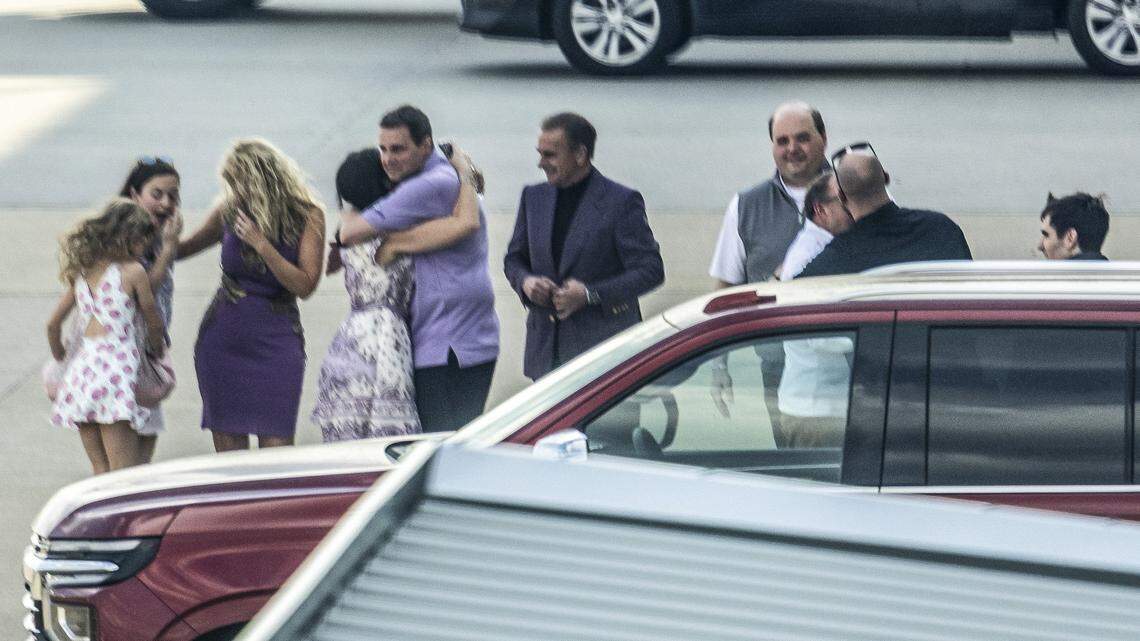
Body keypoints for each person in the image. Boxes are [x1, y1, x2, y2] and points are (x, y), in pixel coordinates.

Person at [338, 105, 499, 432]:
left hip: (446, 344)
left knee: (438, 446)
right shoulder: (445, 168)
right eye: (383, 149)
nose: (387, 159)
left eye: (398, 149)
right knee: (459, 440)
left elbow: (348, 233)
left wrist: (355, 202)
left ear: (425, 145)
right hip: (471, 337)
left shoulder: (427, 185)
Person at [312, 145, 481, 441]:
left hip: (350, 338)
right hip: (384, 342)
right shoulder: (393, 237)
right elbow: (463, 221)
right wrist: (461, 171)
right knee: (387, 438)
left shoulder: (349, 228)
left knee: (349, 438)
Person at [179, 139, 325, 451]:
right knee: (229, 449)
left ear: (262, 179)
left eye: (240, 182)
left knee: (277, 445)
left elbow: (305, 285)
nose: (236, 191)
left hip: (277, 339)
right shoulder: (230, 210)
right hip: (224, 337)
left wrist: (262, 245)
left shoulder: (308, 215)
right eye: (231, 183)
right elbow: (184, 248)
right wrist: (154, 230)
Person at [504, 112, 664, 380]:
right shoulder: (534, 198)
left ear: (580, 154)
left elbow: (651, 270)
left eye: (550, 155)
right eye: (540, 153)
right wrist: (526, 282)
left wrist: (590, 294)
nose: (541, 163)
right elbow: (514, 259)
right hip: (545, 356)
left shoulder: (621, 202)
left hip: (603, 359)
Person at [708, 101, 829, 422]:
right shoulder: (746, 206)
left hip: (851, 362)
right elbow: (725, 291)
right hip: (778, 366)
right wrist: (719, 366)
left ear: (824, 139)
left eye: (802, 138)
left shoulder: (857, 193)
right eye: (782, 141)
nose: (792, 149)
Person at [47, 198, 166, 474]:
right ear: (128, 237)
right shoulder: (133, 272)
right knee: (123, 473)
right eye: (142, 241)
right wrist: (156, 348)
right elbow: (153, 320)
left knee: (100, 469)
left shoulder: (83, 272)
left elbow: (53, 325)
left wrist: (60, 355)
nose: (145, 248)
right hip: (116, 372)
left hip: (83, 372)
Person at [798, 142, 972, 278]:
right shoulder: (942, 229)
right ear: (886, 178)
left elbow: (798, 293)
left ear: (842, 197)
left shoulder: (833, 261)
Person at [774, 172, 856, 448]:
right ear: (821, 210)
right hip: (817, 410)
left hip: (826, 403)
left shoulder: (828, 246)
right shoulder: (806, 260)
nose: (853, 208)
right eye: (844, 202)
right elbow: (819, 336)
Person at [118, 156, 183, 461]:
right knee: (125, 470)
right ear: (134, 195)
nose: (166, 203)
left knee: (140, 467)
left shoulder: (154, 238)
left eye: (173, 196)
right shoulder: (125, 241)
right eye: (156, 194)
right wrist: (169, 249)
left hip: (145, 362)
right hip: (124, 364)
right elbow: (139, 293)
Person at [1038, 192, 1110, 261]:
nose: (1040, 246)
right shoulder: (1114, 272)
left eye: (1046, 235)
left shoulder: (1047, 273)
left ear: (1070, 238)